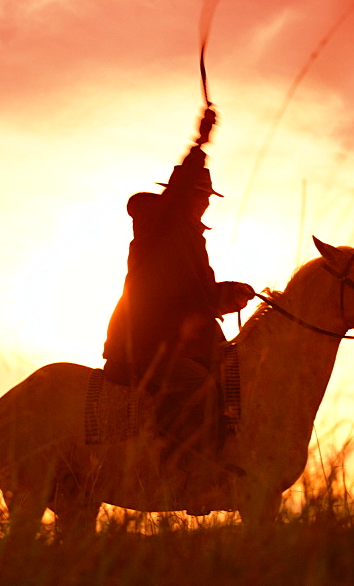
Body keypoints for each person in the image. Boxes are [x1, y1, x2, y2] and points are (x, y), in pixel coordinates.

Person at [102, 107, 253, 467]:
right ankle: (179, 464)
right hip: (145, 343)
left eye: (206, 197)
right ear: (181, 196)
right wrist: (200, 143)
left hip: (181, 343)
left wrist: (229, 293)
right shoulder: (157, 224)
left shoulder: (192, 242)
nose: (203, 202)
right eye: (197, 194)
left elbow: (198, 300)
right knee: (196, 386)